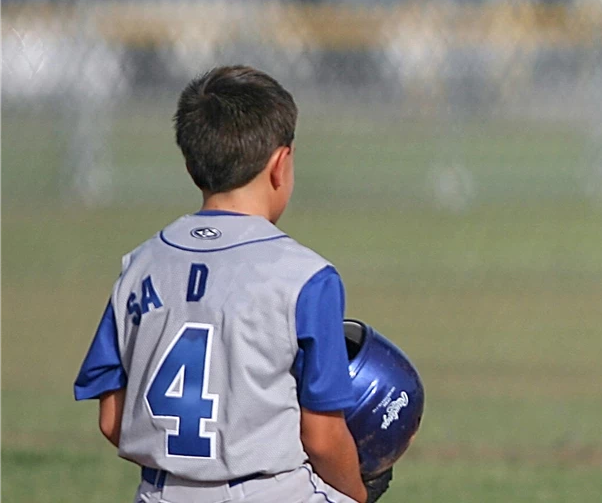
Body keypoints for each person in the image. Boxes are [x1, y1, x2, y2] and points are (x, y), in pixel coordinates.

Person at [73, 66, 384, 503]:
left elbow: (112, 420)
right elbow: (322, 437)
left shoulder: (140, 266)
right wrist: (357, 495)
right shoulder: (306, 277)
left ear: (190, 165)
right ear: (281, 165)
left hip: (159, 493)